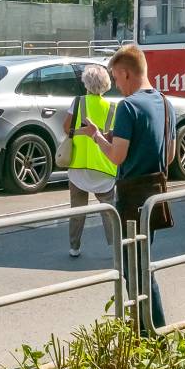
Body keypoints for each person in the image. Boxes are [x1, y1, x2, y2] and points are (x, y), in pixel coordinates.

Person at [80, 44, 172, 331]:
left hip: (131, 196)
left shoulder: (128, 107)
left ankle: (152, 333)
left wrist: (97, 136)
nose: (116, 86)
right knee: (143, 263)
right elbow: (168, 154)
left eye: (116, 79)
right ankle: (149, 330)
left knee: (135, 269)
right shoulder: (164, 102)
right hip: (155, 193)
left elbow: (117, 156)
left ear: (125, 73)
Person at [64, 64, 118, 257]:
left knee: (77, 210)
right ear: (106, 84)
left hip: (78, 165)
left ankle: (74, 247)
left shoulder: (78, 102)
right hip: (104, 167)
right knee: (109, 211)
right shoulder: (113, 107)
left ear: (86, 83)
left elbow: (66, 128)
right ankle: (116, 248)